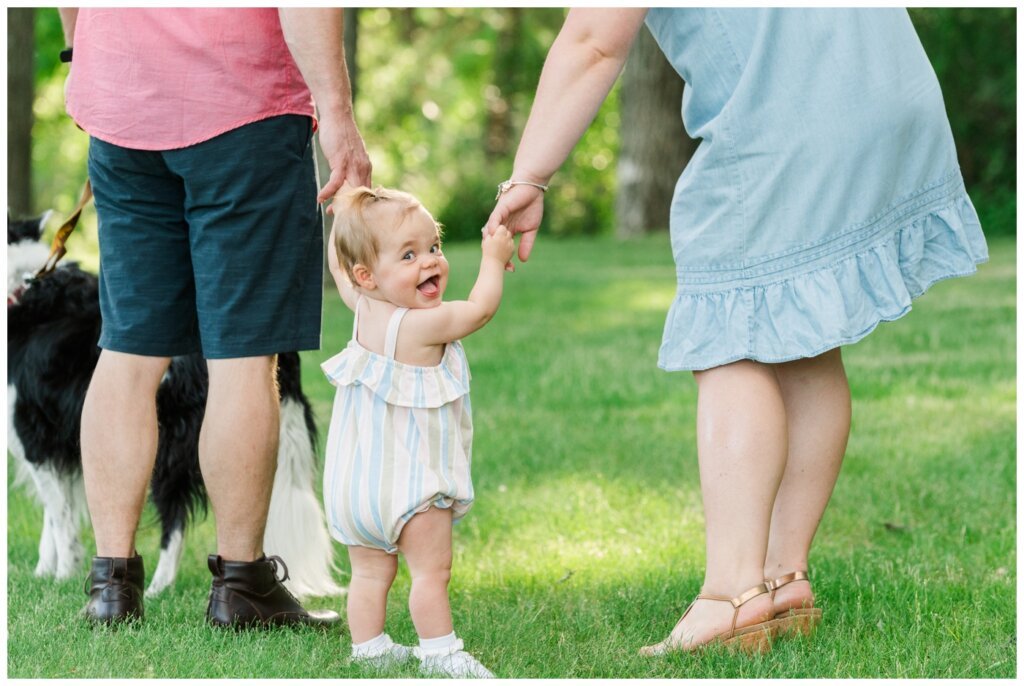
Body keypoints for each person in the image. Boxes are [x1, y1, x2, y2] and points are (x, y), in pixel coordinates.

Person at [485, 8, 987, 654]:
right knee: (801, 326)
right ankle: (783, 577)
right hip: (885, 84)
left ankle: (731, 594)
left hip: (790, 115)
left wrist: (529, 175)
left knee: (727, 329)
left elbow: (592, 41)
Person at [59, 8, 372, 626]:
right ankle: (241, 586)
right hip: (242, 108)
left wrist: (82, 54)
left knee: (127, 352)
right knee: (243, 358)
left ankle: (110, 588)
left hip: (120, 102)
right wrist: (337, 115)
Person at [321, 186, 514, 677]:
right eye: (408, 255)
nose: (429, 262)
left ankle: (369, 649)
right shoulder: (424, 326)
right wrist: (493, 258)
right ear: (370, 275)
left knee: (368, 573)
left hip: (356, 486)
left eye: (433, 248)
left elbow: (340, 268)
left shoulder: (362, 306)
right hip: (413, 488)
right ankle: (442, 654)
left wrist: (342, 216)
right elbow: (481, 309)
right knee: (431, 573)